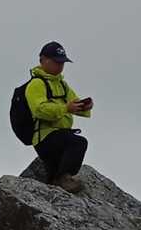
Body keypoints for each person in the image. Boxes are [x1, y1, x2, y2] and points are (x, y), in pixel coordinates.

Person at [26, 41, 94, 191]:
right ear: (43, 60)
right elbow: (40, 110)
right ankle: (63, 179)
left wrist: (84, 107)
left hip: (60, 135)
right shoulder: (36, 84)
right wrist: (65, 108)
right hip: (45, 137)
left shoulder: (62, 84)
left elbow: (73, 103)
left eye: (62, 63)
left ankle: (56, 182)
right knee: (78, 143)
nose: (60, 66)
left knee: (53, 171)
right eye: (57, 62)